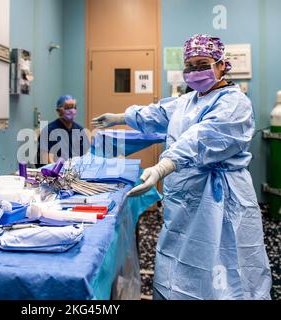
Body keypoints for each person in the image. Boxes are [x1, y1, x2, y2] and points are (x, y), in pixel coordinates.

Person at [92, 34, 272, 300]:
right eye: (190, 65)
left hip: (220, 201)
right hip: (186, 200)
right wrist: (120, 117)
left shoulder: (234, 103)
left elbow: (202, 137)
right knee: (180, 258)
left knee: (222, 265)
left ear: (222, 65)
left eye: (203, 64)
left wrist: (164, 165)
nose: (195, 71)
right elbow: (157, 113)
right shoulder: (189, 100)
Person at [39, 95, 90, 164]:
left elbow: (86, 155)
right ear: (59, 111)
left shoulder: (80, 130)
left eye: (74, 107)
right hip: (56, 172)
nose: (72, 110)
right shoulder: (48, 131)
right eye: (68, 107)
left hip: (76, 171)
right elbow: (46, 159)